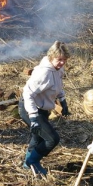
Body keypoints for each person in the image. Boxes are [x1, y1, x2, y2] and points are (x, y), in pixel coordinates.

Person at [19, 41, 70, 176]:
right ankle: (32, 161)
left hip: (42, 108)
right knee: (52, 139)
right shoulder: (43, 73)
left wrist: (63, 101)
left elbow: (57, 86)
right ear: (51, 57)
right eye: (59, 60)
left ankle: (27, 163)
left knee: (38, 138)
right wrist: (33, 117)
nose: (62, 63)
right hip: (29, 108)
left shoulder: (58, 69)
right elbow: (27, 93)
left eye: (64, 60)